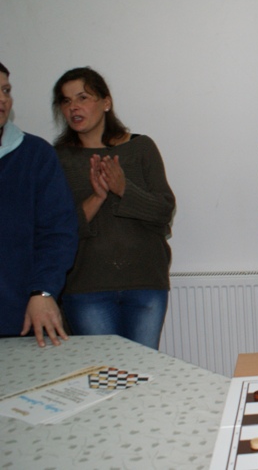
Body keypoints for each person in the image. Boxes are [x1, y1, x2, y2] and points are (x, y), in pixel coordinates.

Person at [52, 67, 176, 350]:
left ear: (106, 102)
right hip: (86, 288)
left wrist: (123, 189)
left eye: (82, 97)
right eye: (66, 101)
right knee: (104, 372)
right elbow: (57, 230)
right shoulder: (57, 158)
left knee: (142, 370)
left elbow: (164, 211)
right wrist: (97, 198)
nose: (74, 107)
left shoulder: (141, 148)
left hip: (145, 282)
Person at [0, 61, 78, 347]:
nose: (3, 99)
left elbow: (58, 232)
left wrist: (43, 291)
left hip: (22, 318)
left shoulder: (35, 154)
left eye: (6, 90)